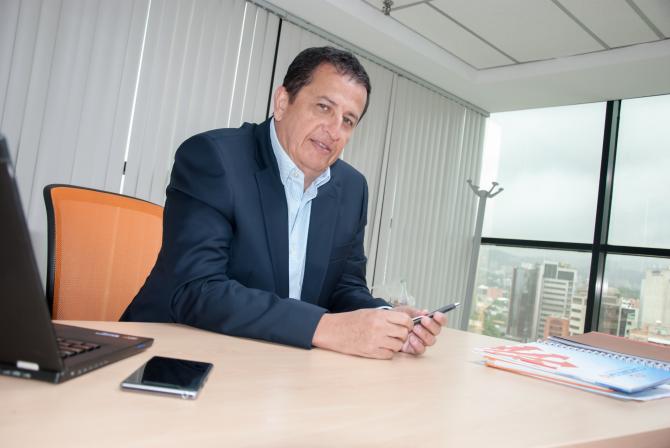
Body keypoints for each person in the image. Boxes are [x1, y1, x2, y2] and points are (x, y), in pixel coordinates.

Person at [121, 46, 446, 359]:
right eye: (324, 107)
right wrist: (323, 328)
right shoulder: (215, 158)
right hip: (166, 354)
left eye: (348, 120)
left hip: (271, 362)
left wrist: (388, 320)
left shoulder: (352, 188)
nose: (334, 130)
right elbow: (197, 289)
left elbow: (344, 288)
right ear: (282, 103)